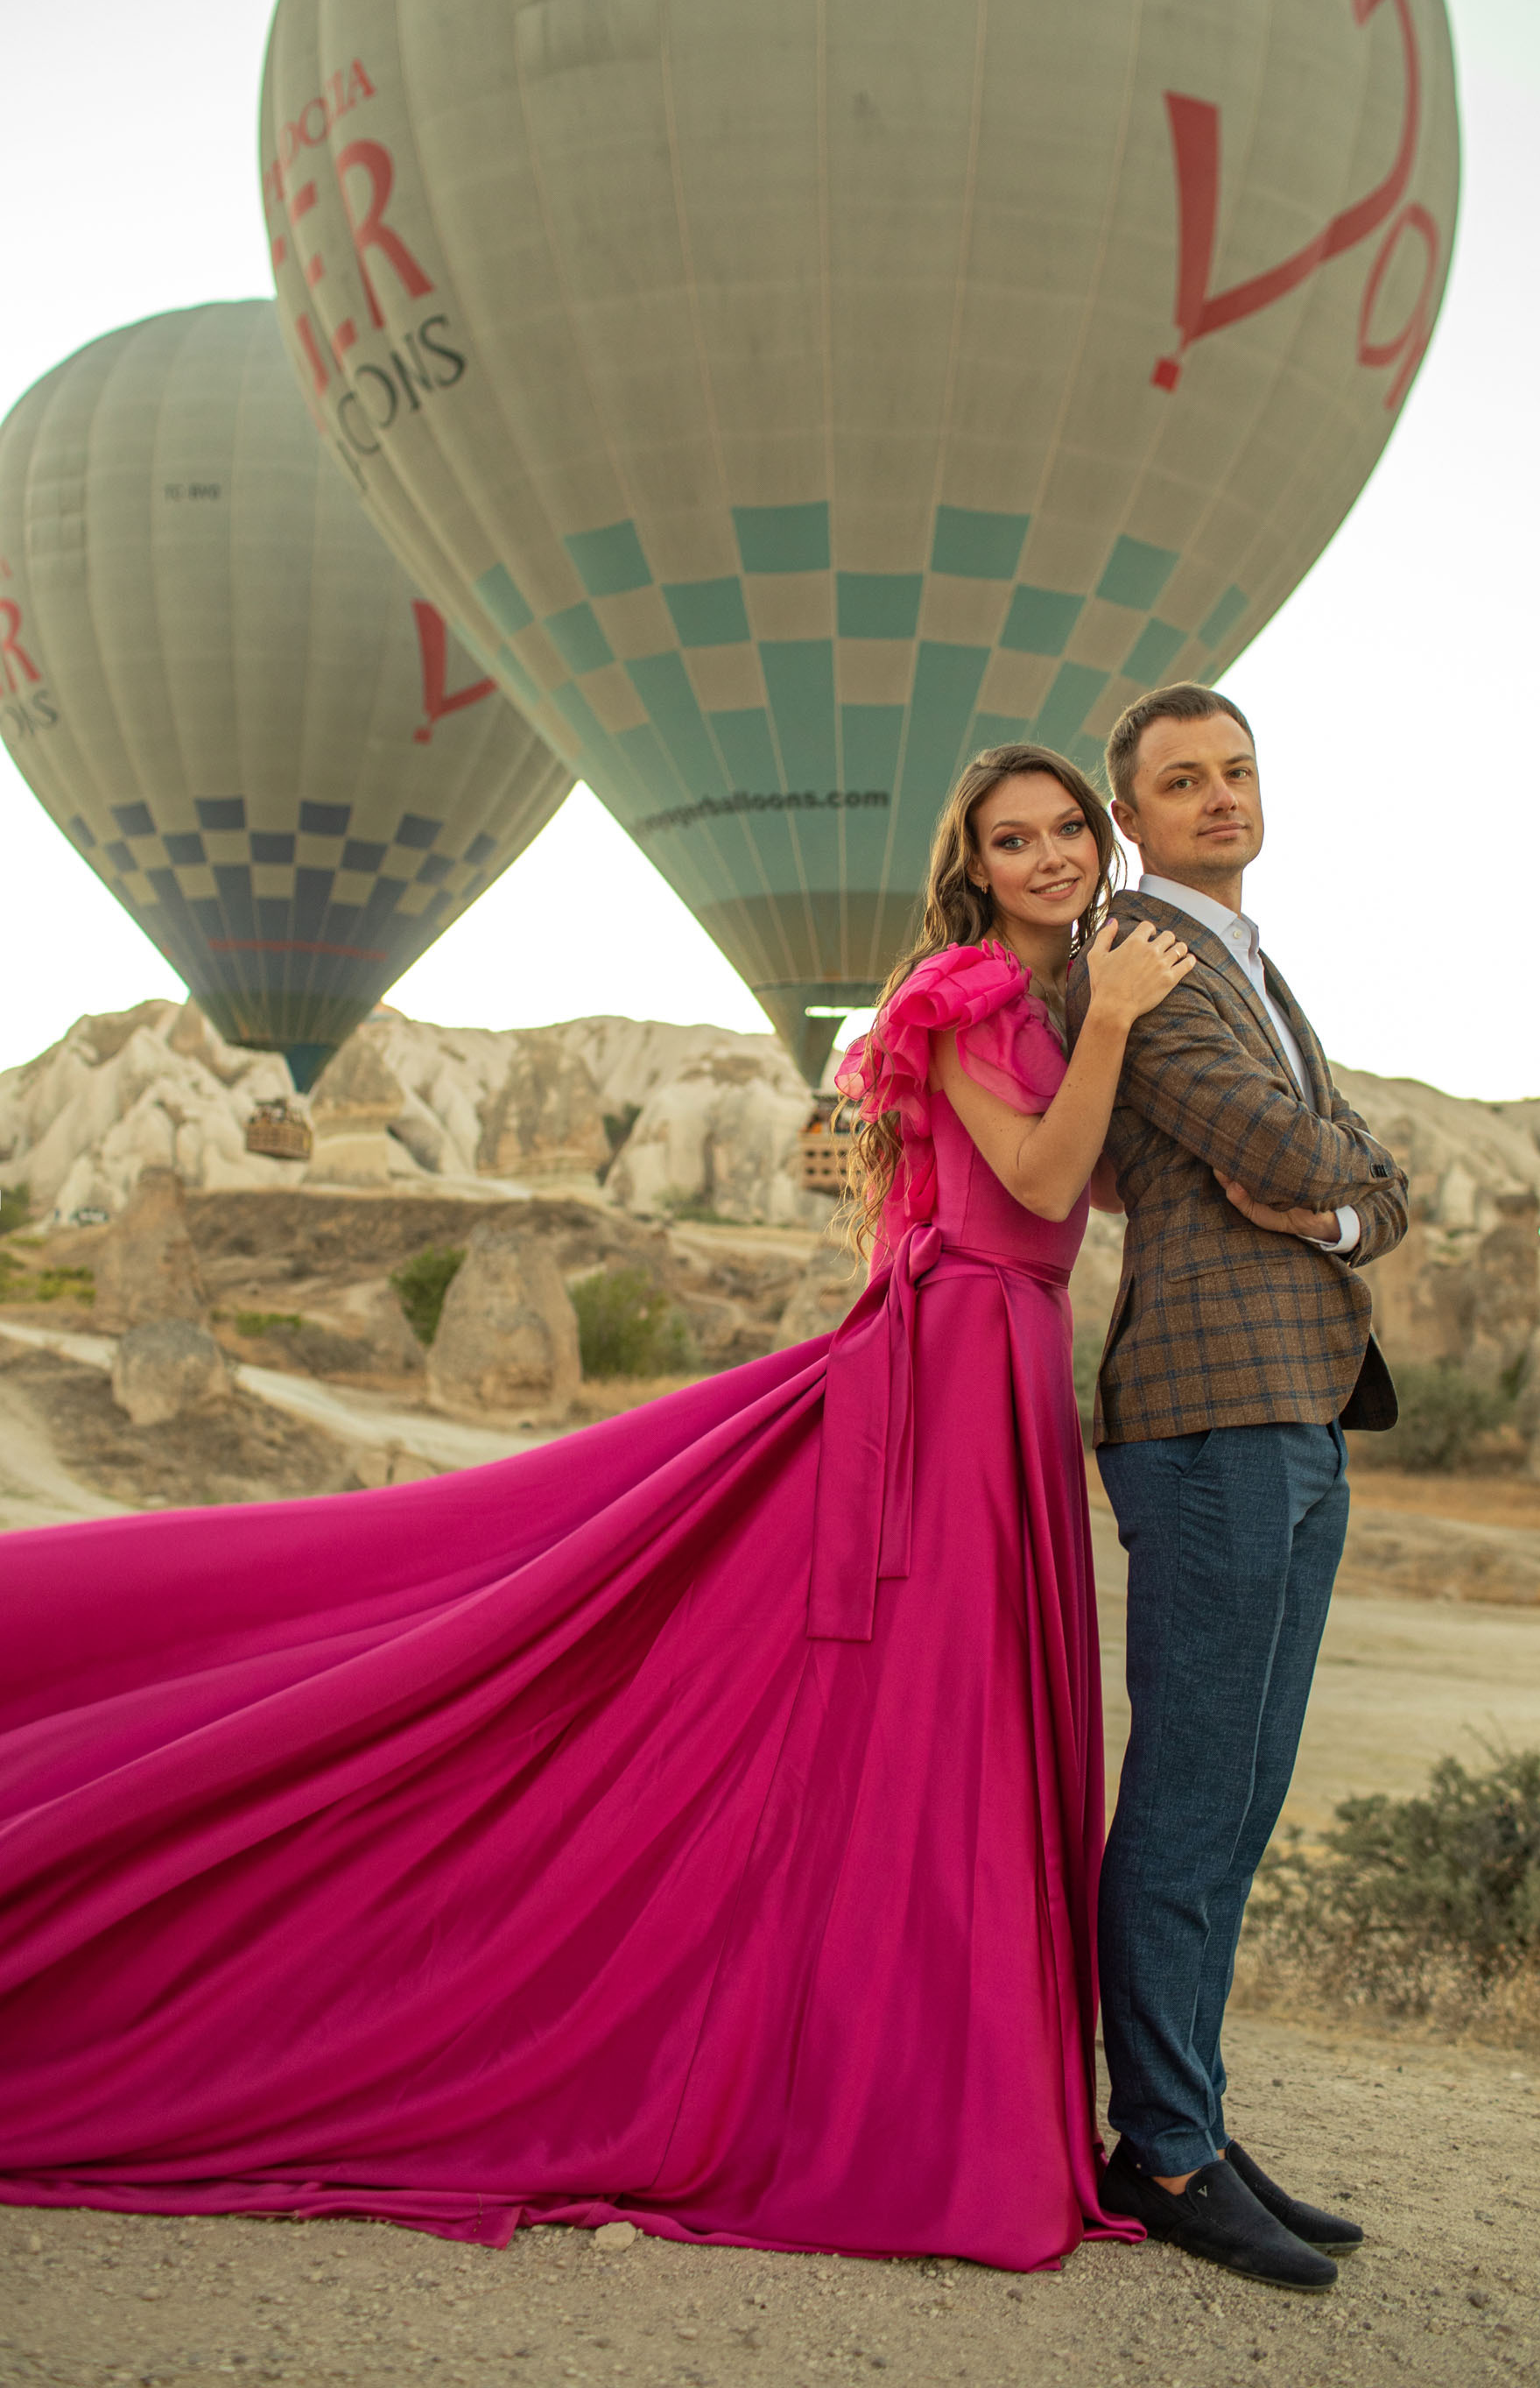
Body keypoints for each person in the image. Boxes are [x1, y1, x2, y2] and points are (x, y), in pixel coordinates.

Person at [0, 743, 1195, 2272]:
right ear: (974, 867)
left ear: (1100, 837)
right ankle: (903, 2100)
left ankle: (928, 2067)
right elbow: (1032, 1180)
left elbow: (1093, 1186)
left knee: (952, 1705)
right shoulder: (957, 994)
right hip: (956, 1359)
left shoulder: (1057, 1000)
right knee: (926, 1697)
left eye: (1067, 828)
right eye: (1012, 838)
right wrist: (1121, 1025)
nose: (1048, 855)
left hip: (1016, 1358)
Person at [1065, 683, 1410, 2293]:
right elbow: (1279, 1147)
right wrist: (1342, 1186)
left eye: (1238, 770)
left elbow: (1364, 1181)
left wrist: (1345, 1208)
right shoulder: (1137, 955)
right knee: (1196, 1789)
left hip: (1303, 1403)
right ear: (1129, 818)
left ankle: (1188, 2113)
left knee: (1248, 1791)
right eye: (1182, 780)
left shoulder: (1250, 961)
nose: (1221, 797)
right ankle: (1162, 2150)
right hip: (1209, 1412)